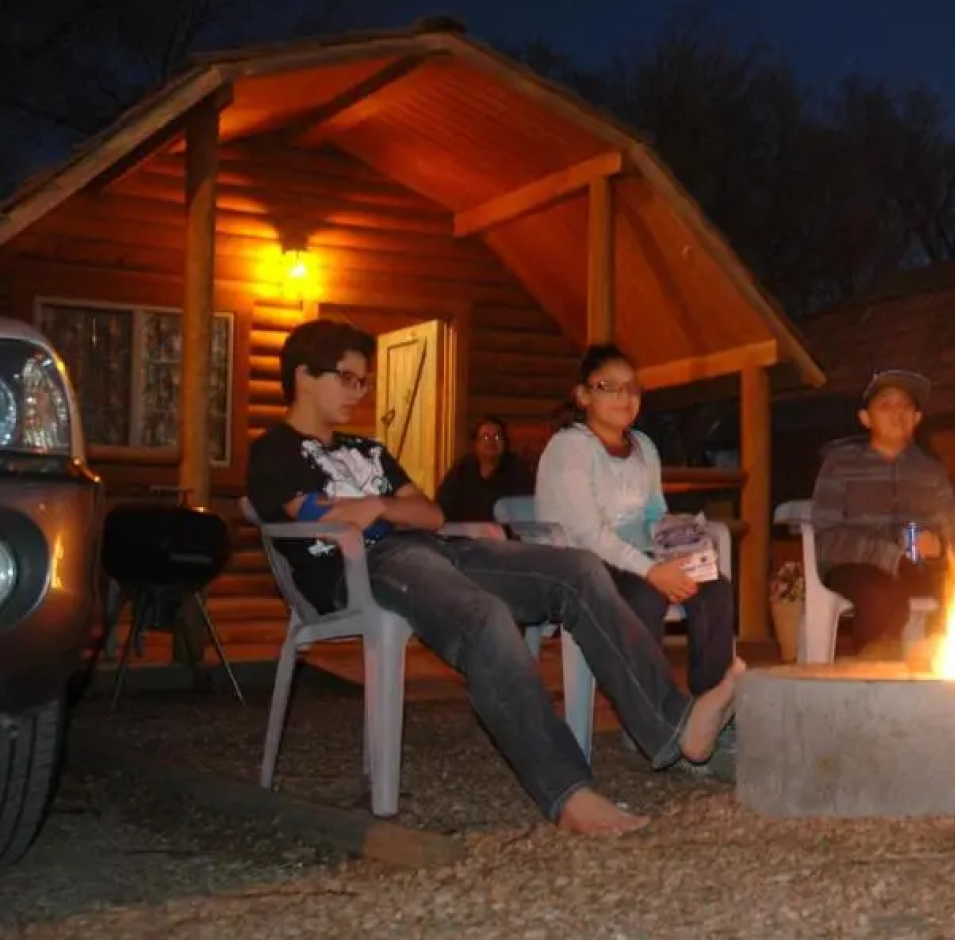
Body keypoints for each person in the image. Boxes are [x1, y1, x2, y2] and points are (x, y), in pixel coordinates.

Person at [246, 319, 741, 836]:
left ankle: (676, 728)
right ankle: (568, 790)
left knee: (577, 569)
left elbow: (431, 514)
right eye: (349, 379)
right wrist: (381, 510)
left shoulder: (369, 451)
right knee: (484, 615)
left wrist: (375, 504)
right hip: (362, 568)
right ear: (304, 376)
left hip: (434, 550)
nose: (359, 392)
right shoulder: (275, 450)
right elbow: (321, 516)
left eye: (363, 381)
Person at [535, 345, 735, 696]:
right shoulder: (569, 448)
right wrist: (653, 572)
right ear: (583, 396)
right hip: (583, 565)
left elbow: (655, 515)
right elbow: (587, 533)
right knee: (646, 594)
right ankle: (650, 709)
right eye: (608, 386)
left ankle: (712, 700)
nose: (624, 396)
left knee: (714, 587)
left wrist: (684, 548)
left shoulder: (644, 446)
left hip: (641, 558)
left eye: (631, 387)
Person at [810, 370, 955, 655]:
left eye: (906, 407)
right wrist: (889, 556)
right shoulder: (840, 465)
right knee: (880, 595)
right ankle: (875, 678)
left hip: (920, 568)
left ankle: (946, 676)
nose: (898, 414)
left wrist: (941, 546)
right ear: (866, 418)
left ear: (917, 419)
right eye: (886, 406)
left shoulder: (932, 472)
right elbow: (828, 537)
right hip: (855, 566)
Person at [433, 416, 534, 522]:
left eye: (497, 437)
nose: (491, 442)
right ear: (476, 444)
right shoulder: (462, 468)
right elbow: (442, 505)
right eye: (485, 437)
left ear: (505, 443)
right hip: (464, 534)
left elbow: (526, 508)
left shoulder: (517, 470)